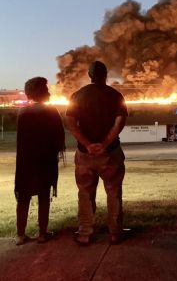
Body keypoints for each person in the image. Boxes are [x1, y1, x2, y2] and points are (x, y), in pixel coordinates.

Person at [66, 61, 128, 245]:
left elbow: (70, 122)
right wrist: (105, 143)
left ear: (89, 75)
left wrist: (87, 144)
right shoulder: (115, 95)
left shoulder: (77, 96)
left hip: (84, 155)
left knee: (85, 193)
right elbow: (120, 122)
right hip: (110, 154)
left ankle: (85, 233)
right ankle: (115, 233)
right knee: (114, 192)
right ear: (105, 75)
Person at [15, 77, 65, 245]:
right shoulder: (52, 112)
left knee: (23, 197)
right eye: (46, 89)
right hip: (45, 161)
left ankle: (20, 235)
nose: (49, 92)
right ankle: (42, 234)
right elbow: (59, 139)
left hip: (25, 162)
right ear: (43, 93)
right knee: (44, 195)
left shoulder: (22, 113)